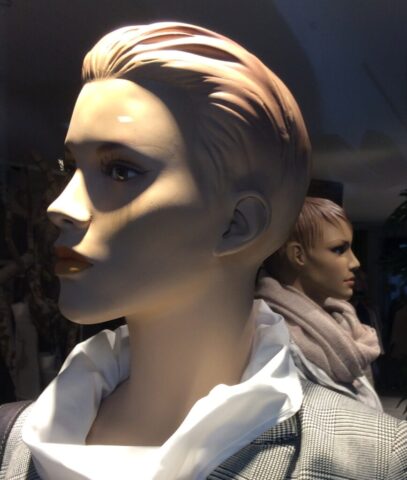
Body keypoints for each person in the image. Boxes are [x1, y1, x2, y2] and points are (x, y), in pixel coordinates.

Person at [1, 22, 406, 480]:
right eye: (72, 166)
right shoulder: (13, 437)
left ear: (237, 223)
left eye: (120, 171)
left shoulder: (376, 460)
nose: (60, 206)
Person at [258, 196, 382, 409]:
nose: (355, 262)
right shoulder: (272, 338)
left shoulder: (345, 323)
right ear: (298, 255)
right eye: (338, 249)